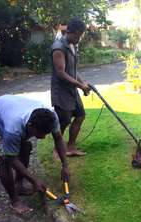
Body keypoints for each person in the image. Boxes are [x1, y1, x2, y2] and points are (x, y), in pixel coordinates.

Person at [0, 95, 69, 215]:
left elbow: (58, 139)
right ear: (30, 126)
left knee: (25, 148)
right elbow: (10, 158)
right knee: (4, 161)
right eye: (40, 133)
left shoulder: (52, 117)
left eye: (46, 133)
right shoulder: (13, 129)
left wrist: (65, 166)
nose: (43, 137)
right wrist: (34, 180)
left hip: (9, 109)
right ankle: (14, 200)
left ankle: (18, 185)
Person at [51, 18, 91, 156]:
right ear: (69, 32)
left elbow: (72, 69)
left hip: (72, 90)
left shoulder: (72, 45)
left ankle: (70, 147)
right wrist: (80, 86)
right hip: (61, 92)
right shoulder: (59, 47)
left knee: (80, 116)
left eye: (81, 35)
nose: (79, 38)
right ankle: (57, 150)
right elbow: (61, 73)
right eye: (78, 35)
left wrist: (83, 83)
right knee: (63, 122)